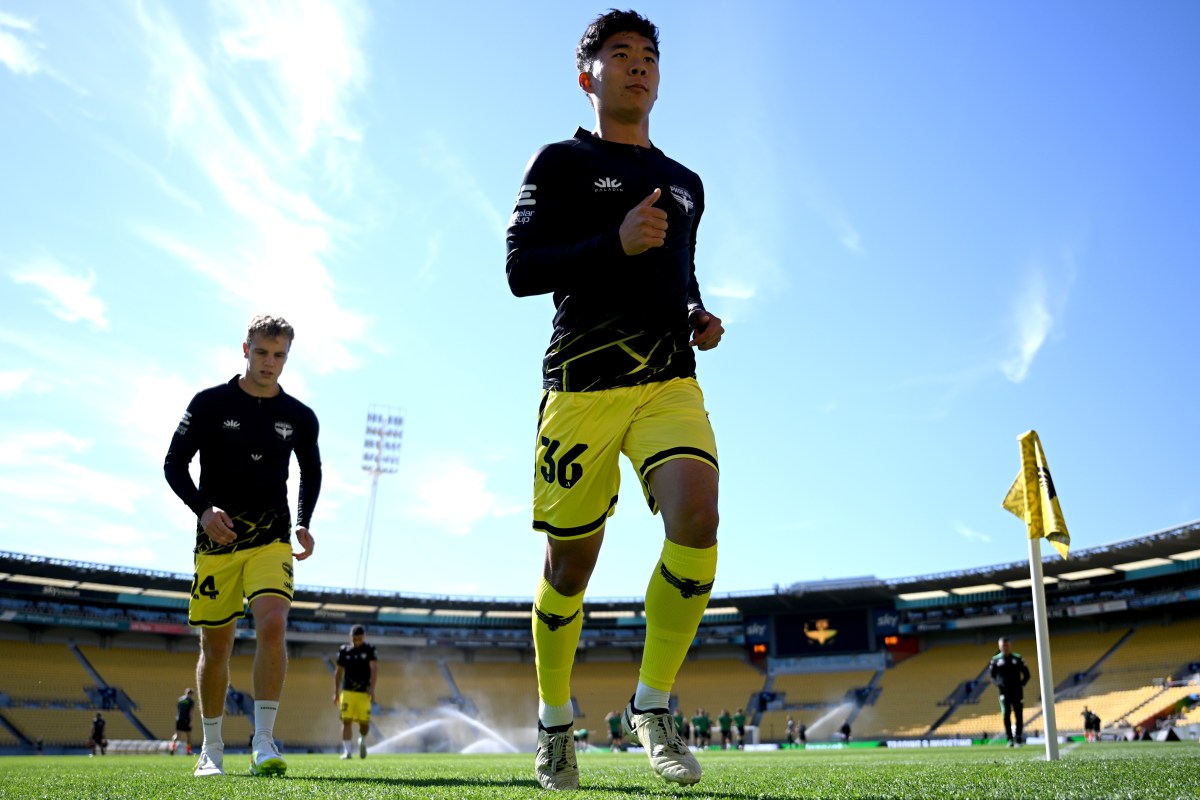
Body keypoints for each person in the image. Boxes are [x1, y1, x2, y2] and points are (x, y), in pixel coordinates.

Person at [506, 9, 723, 792]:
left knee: (698, 518)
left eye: (649, 56)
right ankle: (554, 722)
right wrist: (613, 242)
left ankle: (653, 706)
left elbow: (680, 272)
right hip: (580, 387)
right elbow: (521, 270)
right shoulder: (560, 162)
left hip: (668, 381)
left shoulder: (688, 183)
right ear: (586, 76)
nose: (638, 65)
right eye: (620, 53)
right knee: (570, 569)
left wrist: (697, 313)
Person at [164, 314, 321, 778]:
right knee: (217, 646)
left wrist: (304, 522)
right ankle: (211, 749)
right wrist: (203, 511)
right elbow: (174, 464)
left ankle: (264, 742)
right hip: (218, 542)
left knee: (273, 623)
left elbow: (311, 471)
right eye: (263, 352)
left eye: (279, 355)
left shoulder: (299, 416)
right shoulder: (209, 403)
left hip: (272, 538)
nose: (270, 362)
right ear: (246, 350)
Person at [334, 624, 377, 760]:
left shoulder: (369, 650)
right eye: (354, 639)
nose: (357, 641)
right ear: (350, 637)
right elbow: (338, 672)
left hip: (364, 693)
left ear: (363, 637)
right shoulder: (344, 650)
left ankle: (362, 741)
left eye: (359, 639)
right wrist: (336, 692)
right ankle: (347, 752)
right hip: (347, 692)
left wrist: (372, 689)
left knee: (364, 724)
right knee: (346, 721)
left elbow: (374, 670)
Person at [989, 636, 1031, 747]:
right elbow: (992, 676)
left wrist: (1021, 684)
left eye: (1007, 645)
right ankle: (1010, 739)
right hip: (1004, 692)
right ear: (999, 646)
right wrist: (998, 685)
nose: (1005, 647)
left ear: (1010, 645)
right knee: (1006, 713)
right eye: (1003, 646)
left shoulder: (1018, 658)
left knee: (1019, 714)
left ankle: (1018, 737)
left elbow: (1027, 674)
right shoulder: (995, 660)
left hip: (1017, 692)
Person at [171, 688, 196, 755]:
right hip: (186, 720)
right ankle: (188, 751)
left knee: (177, 735)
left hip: (179, 719)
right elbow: (191, 712)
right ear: (191, 694)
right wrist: (191, 721)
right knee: (189, 736)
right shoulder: (191, 701)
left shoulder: (180, 700)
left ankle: (172, 748)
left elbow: (178, 709)